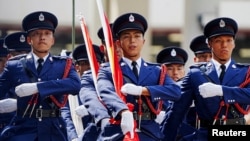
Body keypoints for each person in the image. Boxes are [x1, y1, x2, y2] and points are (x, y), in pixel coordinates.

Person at [162, 17, 250, 141]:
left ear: (234, 43)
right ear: (209, 44)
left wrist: (221, 90)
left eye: (229, 40)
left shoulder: (246, 72)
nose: (224, 45)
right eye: (218, 41)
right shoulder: (196, 74)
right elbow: (177, 112)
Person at [97, 12, 181, 140]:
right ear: (118, 43)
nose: (132, 41)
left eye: (137, 36)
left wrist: (144, 91)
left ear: (143, 41)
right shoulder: (109, 70)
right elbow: (105, 91)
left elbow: (175, 91)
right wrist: (123, 111)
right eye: (127, 36)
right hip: (119, 132)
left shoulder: (156, 70)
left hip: (149, 132)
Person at [0, 11, 81, 141]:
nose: (42, 37)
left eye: (47, 34)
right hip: (23, 130)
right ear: (29, 40)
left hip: (53, 130)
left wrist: (38, 87)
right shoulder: (14, 65)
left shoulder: (63, 64)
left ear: (53, 39)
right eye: (37, 34)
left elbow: (75, 85)